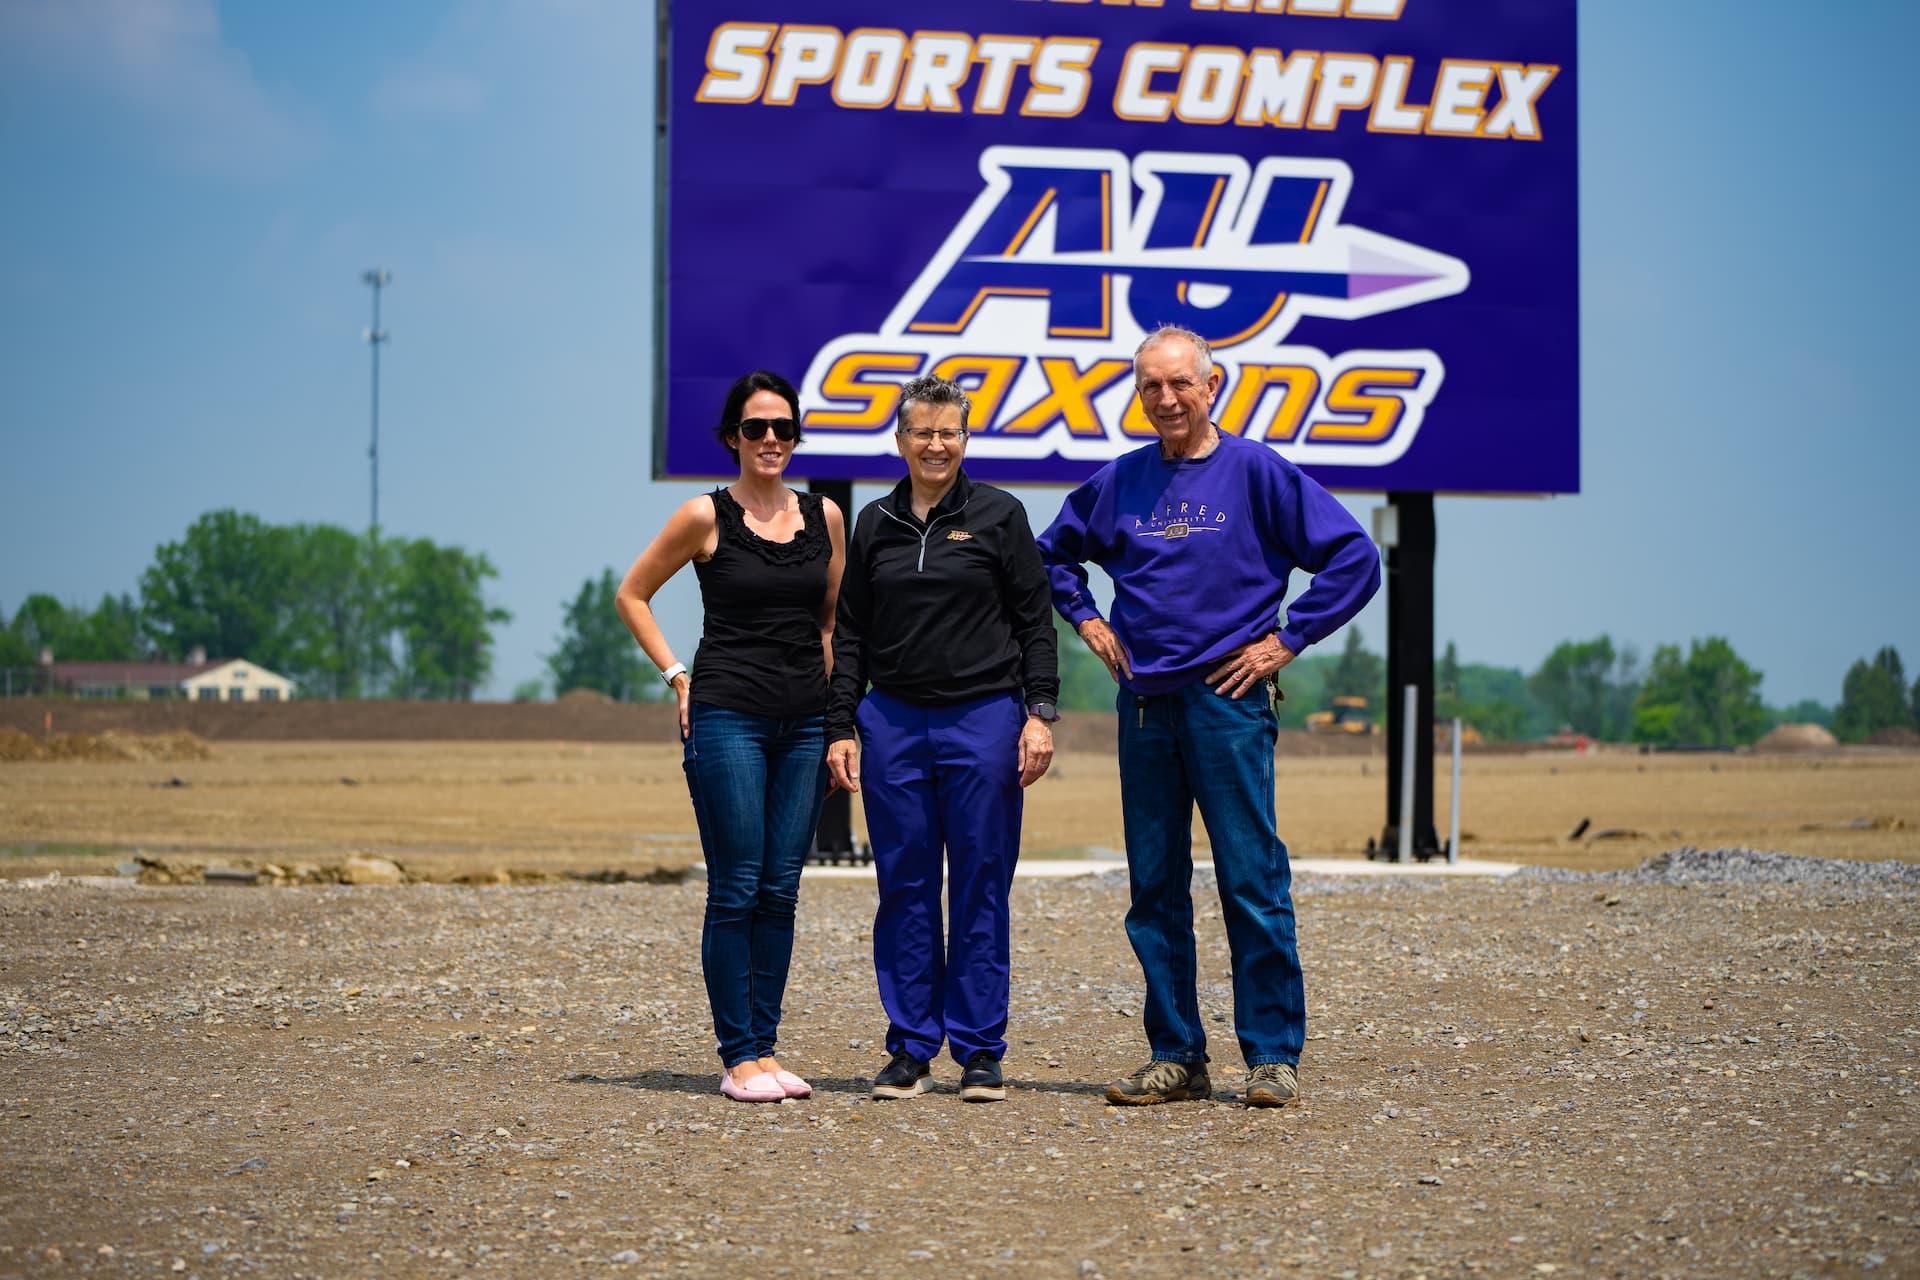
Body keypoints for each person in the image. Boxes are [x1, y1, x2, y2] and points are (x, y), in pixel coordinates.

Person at [1036, 325, 1381, 1108]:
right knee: (1154, 886)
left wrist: (1288, 640)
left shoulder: (1257, 472)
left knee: (1250, 878)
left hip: (1230, 702)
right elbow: (1051, 553)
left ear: (1212, 386)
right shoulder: (1120, 482)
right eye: (1151, 386)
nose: (1166, 399)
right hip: (1147, 706)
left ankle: (1270, 1056)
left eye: (1180, 384)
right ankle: (1176, 1055)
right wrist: (1086, 620)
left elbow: (1356, 558)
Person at [826, 374, 1058, 1104]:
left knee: (982, 884)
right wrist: (842, 725)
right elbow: (852, 633)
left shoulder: (1000, 516)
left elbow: (1035, 623)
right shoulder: (874, 524)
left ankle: (982, 1051)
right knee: (905, 887)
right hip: (891, 721)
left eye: (948, 432)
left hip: (983, 719)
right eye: (922, 432)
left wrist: (1040, 713)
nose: (935, 444)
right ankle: (910, 1047)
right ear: (900, 441)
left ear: (965, 439)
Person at [614, 369, 845, 1103]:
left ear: (797, 435)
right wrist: (678, 676)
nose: (770, 439)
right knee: (738, 884)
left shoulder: (826, 519)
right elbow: (633, 594)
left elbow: (832, 624)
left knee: (782, 889)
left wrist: (840, 718)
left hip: (806, 722)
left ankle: (768, 1052)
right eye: (755, 428)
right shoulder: (703, 516)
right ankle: (737, 1057)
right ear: (732, 439)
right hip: (727, 718)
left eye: (782, 427)